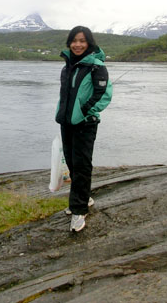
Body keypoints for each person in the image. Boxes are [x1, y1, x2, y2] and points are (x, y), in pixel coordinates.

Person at [56, 26, 112, 232]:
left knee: (81, 165)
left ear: (89, 43)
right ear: (69, 43)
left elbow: (103, 95)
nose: (77, 44)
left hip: (85, 124)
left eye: (82, 41)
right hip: (67, 122)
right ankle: (84, 197)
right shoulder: (68, 66)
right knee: (71, 163)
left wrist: (85, 111)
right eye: (74, 40)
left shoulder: (97, 67)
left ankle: (79, 211)